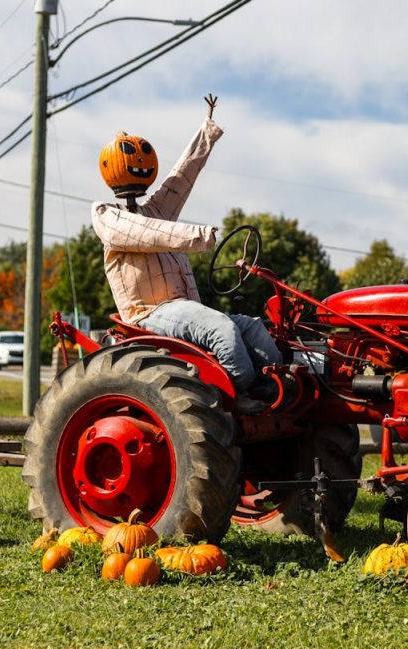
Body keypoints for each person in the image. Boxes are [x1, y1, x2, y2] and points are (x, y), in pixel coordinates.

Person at [91, 94, 281, 414]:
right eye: (131, 156)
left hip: (183, 309)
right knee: (220, 328)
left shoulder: (154, 212)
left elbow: (180, 180)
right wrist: (197, 236)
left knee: (251, 326)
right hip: (148, 313)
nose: (139, 161)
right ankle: (235, 394)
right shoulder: (108, 217)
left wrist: (207, 131)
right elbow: (146, 234)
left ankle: (276, 384)